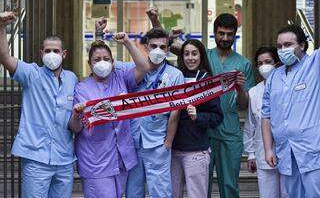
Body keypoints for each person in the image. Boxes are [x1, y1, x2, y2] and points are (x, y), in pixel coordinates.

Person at [148, 10, 255, 198]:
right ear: (214, 33)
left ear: (235, 34)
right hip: (198, 134)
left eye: (230, 34)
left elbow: (244, 105)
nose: (225, 37)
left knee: (229, 186)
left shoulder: (243, 63)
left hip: (228, 132)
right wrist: (155, 20)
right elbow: (167, 44)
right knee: (200, 187)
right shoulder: (201, 55)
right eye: (221, 33)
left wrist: (239, 88)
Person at [261, 0, 320, 198]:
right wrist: (268, 148)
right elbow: (266, 115)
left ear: (302, 46)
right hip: (288, 154)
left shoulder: (317, 65)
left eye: (288, 44)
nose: (283, 49)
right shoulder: (275, 77)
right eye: (279, 46)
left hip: (318, 150)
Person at [0, 12, 77, 198]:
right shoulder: (31, 74)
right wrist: (1, 26)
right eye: (48, 51)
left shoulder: (72, 79)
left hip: (64, 159)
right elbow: (4, 57)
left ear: (63, 54)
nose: (52, 55)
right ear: (41, 54)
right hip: (36, 158)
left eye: (56, 51)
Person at [68, 33, 149, 198]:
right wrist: (76, 115)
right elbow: (75, 127)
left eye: (106, 58)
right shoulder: (81, 89)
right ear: (89, 64)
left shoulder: (121, 78)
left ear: (113, 62)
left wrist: (127, 42)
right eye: (97, 60)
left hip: (121, 157)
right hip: (95, 159)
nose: (102, 63)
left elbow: (143, 67)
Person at [125, 27, 185, 198]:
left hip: (158, 142)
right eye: (153, 46)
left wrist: (168, 142)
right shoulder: (134, 70)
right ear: (146, 48)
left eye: (162, 47)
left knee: (160, 191)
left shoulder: (175, 75)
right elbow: (106, 63)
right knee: (133, 191)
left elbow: (176, 111)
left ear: (167, 50)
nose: (157, 50)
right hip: (133, 141)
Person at [171, 39, 224, 198]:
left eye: (194, 53)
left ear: (201, 56)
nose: (190, 58)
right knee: (173, 194)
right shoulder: (175, 77)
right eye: (186, 54)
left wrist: (198, 116)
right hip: (173, 149)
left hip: (196, 151)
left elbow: (217, 117)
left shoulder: (208, 82)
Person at [243, 46, 288, 198]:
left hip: (288, 152)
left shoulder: (288, 86)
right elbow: (250, 125)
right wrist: (250, 154)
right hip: (263, 154)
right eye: (260, 63)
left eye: (267, 62)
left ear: (277, 63)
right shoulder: (254, 92)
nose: (264, 66)